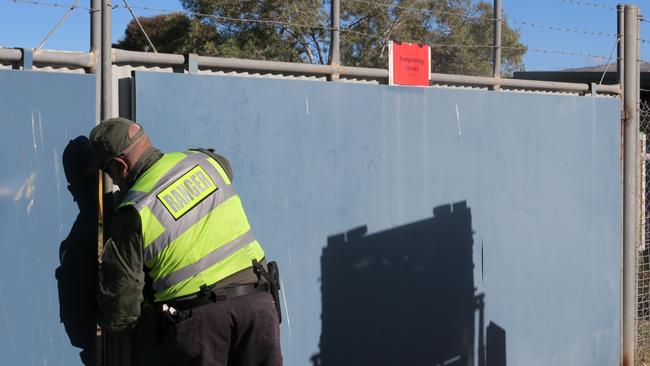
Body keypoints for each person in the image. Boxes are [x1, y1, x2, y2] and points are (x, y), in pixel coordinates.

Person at [89, 117, 282, 366]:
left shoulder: (133, 211)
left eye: (108, 172)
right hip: (257, 306)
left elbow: (122, 308)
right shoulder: (207, 161)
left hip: (201, 325)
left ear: (120, 166)